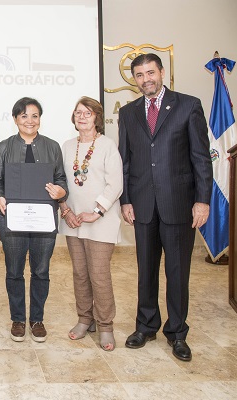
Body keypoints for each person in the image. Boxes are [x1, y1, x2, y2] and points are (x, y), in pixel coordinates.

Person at [119, 53, 212, 362]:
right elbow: (126, 160)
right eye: (140, 75)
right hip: (142, 205)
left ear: (161, 72)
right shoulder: (129, 113)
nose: (146, 79)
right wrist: (126, 199)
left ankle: (177, 332)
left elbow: (201, 157)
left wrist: (202, 200)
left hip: (179, 204)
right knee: (146, 271)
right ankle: (145, 326)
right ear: (134, 79)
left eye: (150, 72)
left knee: (177, 272)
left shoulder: (188, 105)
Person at [0, 97, 67, 342]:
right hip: (12, 218)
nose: (29, 121)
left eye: (34, 115)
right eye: (24, 116)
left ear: (40, 119)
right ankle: (18, 319)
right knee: (14, 271)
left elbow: (61, 178)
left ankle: (37, 319)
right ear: (15, 119)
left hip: (44, 218)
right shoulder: (4, 146)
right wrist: (0, 197)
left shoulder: (53, 146)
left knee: (41, 270)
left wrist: (61, 191)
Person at [58, 97, 122, 351]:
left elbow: (115, 184)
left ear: (97, 117)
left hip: (100, 221)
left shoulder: (107, 145)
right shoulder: (66, 146)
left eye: (87, 113)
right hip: (73, 221)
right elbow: (60, 182)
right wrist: (65, 211)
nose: (82, 116)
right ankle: (85, 319)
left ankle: (105, 326)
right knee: (80, 274)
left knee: (99, 275)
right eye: (77, 112)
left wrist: (96, 211)